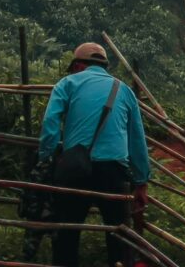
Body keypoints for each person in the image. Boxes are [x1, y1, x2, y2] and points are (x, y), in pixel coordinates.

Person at [37, 41, 151, 267]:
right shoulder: (124, 91)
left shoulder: (67, 83)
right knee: (118, 236)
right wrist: (141, 182)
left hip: (75, 169)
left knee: (67, 233)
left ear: (78, 65)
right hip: (114, 172)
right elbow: (137, 140)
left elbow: (50, 124)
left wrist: (45, 158)